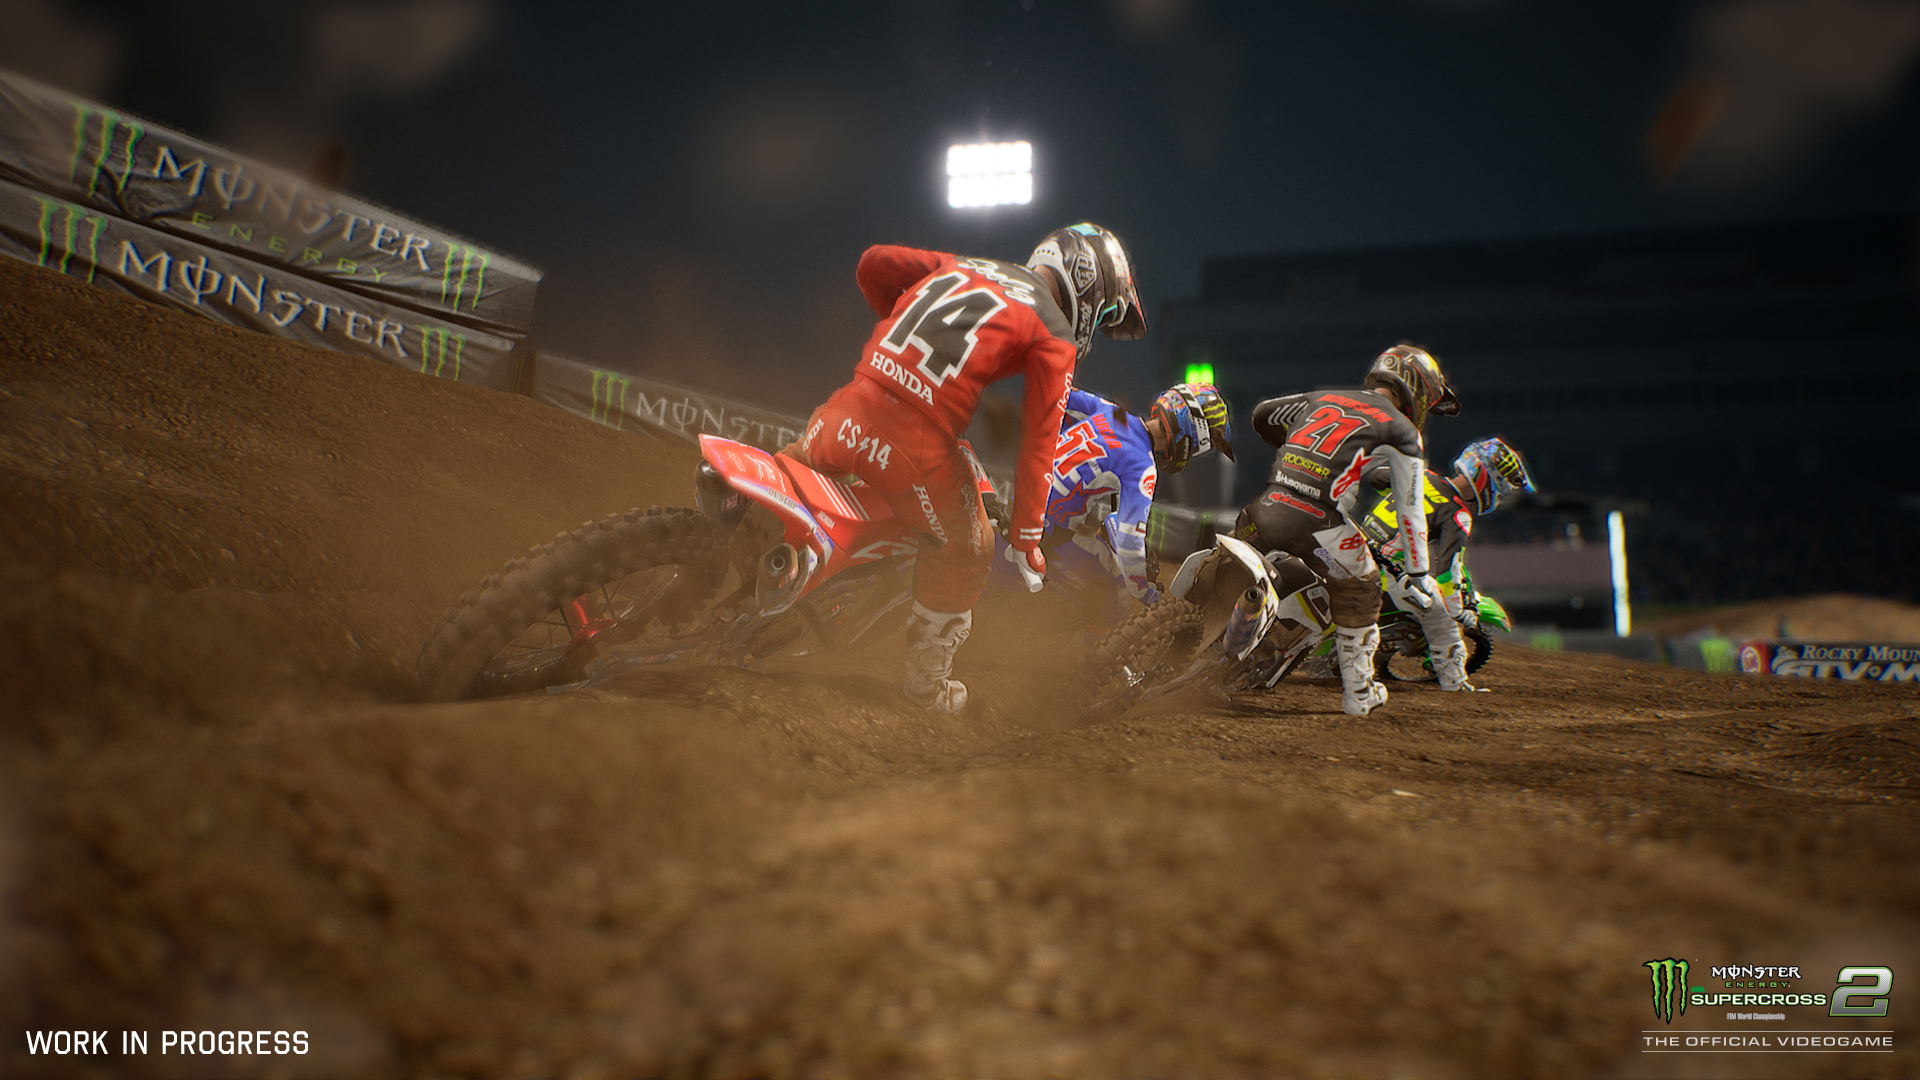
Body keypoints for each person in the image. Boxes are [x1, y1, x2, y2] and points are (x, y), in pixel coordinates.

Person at [781, 223, 1146, 713]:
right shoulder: (1055, 333)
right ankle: (925, 689)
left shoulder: (961, 265)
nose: (1098, 324)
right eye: (1105, 312)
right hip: (914, 446)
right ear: (1087, 282)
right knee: (972, 549)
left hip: (843, 411)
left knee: (799, 474)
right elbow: (1038, 445)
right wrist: (1027, 543)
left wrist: (904, 330)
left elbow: (871, 264)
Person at [1234, 343, 1460, 715]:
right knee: (1363, 586)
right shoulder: (1403, 431)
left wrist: (1297, 448)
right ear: (1418, 391)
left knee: (1231, 566)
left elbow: (1263, 414)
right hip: (1317, 523)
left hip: (1263, 509)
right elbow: (1410, 509)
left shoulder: (1323, 397)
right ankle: (1359, 692)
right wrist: (1419, 573)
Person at [992, 382, 1234, 609]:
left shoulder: (1112, 412)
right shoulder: (1142, 466)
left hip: (1017, 502)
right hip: (1050, 533)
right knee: (1113, 599)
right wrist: (1143, 592)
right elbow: (1130, 542)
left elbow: (1057, 393)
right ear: (1191, 436)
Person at [1353, 435, 1538, 679]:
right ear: (1487, 482)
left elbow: (1371, 476)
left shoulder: (1422, 477)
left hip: (1355, 549)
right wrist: (1459, 612)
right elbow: (1448, 571)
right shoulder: (1458, 514)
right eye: (1499, 490)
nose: (1498, 497)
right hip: (1383, 575)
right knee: (1441, 614)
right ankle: (1453, 677)